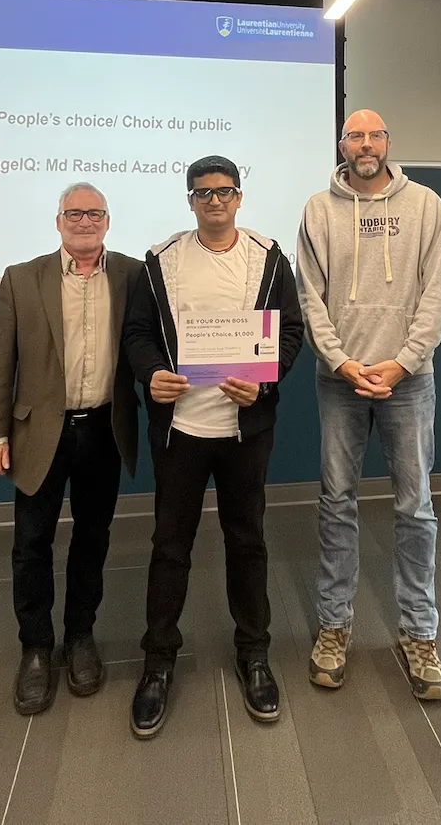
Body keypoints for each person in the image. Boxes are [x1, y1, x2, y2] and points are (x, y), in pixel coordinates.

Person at [123, 155, 303, 738]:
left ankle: (254, 654)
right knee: (170, 546)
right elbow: (138, 334)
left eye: (224, 192)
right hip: (181, 431)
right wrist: (151, 372)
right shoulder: (160, 261)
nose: (215, 202)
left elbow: (292, 332)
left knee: (247, 541)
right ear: (190, 200)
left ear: (240, 197)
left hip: (244, 432)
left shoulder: (270, 258)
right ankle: (158, 663)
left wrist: (266, 380)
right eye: (203, 194)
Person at [297, 110, 441, 700]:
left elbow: (440, 291)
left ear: (389, 142)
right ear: (342, 145)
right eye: (355, 135)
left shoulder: (427, 206)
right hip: (339, 380)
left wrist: (403, 361)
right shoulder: (318, 209)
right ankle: (334, 627)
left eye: (376, 134)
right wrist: (342, 361)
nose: (365, 144)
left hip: (408, 381)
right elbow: (308, 296)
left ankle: (420, 632)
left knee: (415, 508)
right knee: (336, 503)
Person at [0, 183, 142, 715]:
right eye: (75, 213)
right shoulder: (22, 279)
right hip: (38, 433)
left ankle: (80, 637)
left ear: (108, 221)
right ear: (58, 221)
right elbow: (0, 363)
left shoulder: (132, 274)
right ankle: (35, 648)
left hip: (103, 430)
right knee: (32, 544)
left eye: (94, 213)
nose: (84, 221)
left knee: (93, 540)